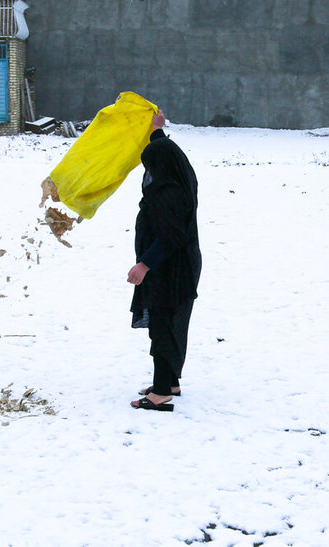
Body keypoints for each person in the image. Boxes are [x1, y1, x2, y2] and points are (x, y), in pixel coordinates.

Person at [127, 110, 201, 412]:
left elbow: (169, 237)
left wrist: (144, 264)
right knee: (170, 323)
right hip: (178, 266)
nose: (148, 172)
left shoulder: (167, 194)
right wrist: (157, 130)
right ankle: (169, 382)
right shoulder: (179, 179)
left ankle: (160, 393)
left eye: (150, 166)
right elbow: (168, 152)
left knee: (163, 325)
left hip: (169, 268)